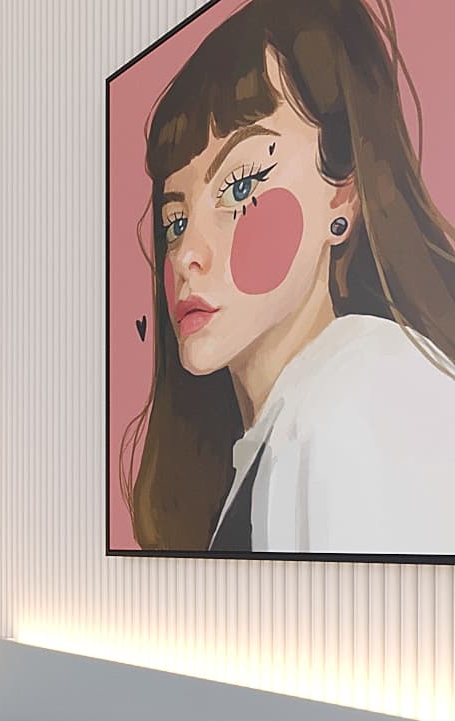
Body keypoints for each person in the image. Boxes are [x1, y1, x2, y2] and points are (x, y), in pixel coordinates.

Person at [121, 0, 455, 555]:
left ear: (341, 195)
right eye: (175, 220)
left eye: (241, 185)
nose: (185, 256)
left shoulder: (361, 393)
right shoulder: (296, 420)